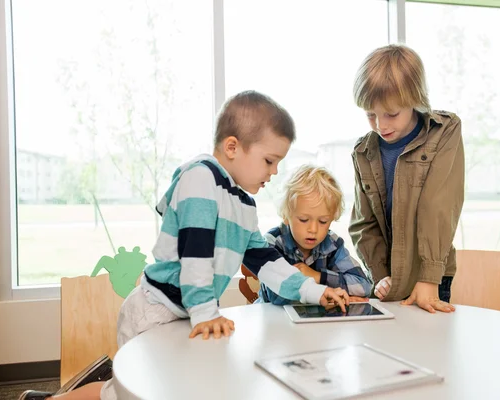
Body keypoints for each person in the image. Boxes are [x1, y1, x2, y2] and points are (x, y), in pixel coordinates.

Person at [19, 90, 349, 400]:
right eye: (269, 161)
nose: (275, 171)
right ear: (232, 147)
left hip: (185, 313)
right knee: (126, 394)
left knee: (155, 389)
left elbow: (269, 263)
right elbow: (196, 251)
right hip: (156, 309)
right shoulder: (200, 177)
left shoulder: (244, 206)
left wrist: (315, 291)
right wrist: (206, 311)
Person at [349, 44, 464, 313]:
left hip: (432, 275)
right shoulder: (362, 152)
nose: (380, 125)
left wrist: (428, 276)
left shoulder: (444, 132)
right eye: (370, 115)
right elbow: (363, 222)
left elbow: (438, 206)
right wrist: (379, 275)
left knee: (429, 349)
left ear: (414, 99)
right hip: (386, 280)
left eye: (391, 114)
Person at [257, 165, 373, 305]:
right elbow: (275, 297)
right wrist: (325, 292)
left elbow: (364, 286)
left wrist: (318, 277)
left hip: (316, 321)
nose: (313, 229)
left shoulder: (332, 244)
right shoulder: (273, 242)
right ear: (286, 215)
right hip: (275, 320)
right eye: (304, 220)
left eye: (323, 221)